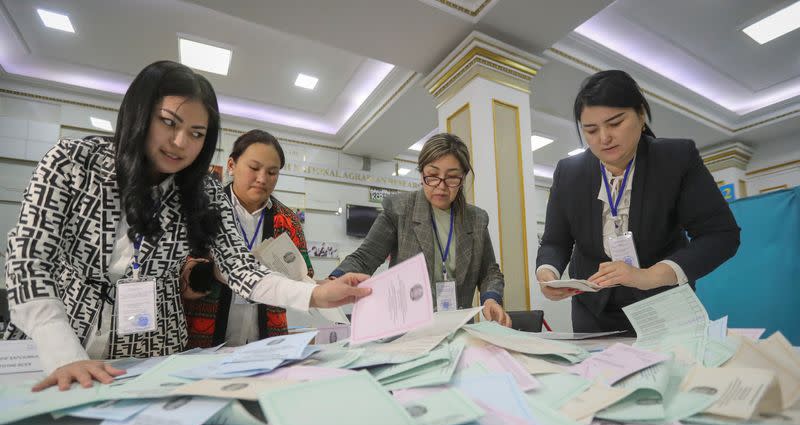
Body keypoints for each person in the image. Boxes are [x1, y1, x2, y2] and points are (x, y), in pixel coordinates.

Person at [4, 60, 369, 391]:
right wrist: (62, 351)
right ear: (140, 113)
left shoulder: (203, 191)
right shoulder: (71, 163)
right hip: (58, 337)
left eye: (197, 133)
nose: (181, 143)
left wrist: (315, 294)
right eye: (168, 123)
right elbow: (28, 261)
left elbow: (239, 268)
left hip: (153, 347)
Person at [536, 70, 740, 332]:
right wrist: (548, 273)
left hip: (664, 302)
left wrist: (649, 276)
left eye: (615, 123)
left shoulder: (675, 159)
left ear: (641, 115)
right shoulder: (569, 172)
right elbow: (556, 240)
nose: (604, 138)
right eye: (591, 130)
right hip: (594, 309)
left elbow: (721, 235)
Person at [330, 133, 511, 326]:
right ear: (421, 173)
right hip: (408, 328)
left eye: (451, 178)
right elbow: (365, 257)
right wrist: (334, 280)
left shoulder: (477, 220)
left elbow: (489, 272)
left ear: (463, 178)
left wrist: (491, 299)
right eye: (432, 176)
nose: (441, 187)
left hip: (458, 327)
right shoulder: (399, 210)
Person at [181, 130, 314, 347]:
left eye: (272, 172)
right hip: (204, 336)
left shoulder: (287, 220)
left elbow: (305, 272)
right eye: (254, 168)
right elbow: (176, 267)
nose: (262, 179)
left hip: (269, 338)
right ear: (232, 165)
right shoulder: (202, 209)